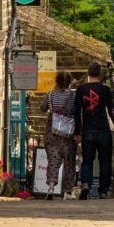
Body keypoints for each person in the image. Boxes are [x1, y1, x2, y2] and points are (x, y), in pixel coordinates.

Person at [74, 61, 114, 199]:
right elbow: (111, 110)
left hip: (88, 131)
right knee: (105, 161)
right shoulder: (105, 90)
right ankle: (104, 191)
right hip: (103, 130)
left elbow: (77, 113)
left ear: (88, 73)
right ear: (100, 73)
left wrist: (77, 132)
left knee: (87, 160)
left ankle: (86, 184)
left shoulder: (81, 90)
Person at [40, 70, 77, 200]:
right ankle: (68, 191)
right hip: (68, 135)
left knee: (53, 162)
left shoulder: (50, 94)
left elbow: (43, 108)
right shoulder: (73, 96)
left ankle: (50, 187)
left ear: (57, 81)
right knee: (69, 163)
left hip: (52, 134)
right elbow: (77, 112)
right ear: (70, 82)